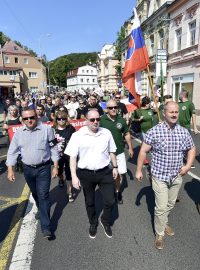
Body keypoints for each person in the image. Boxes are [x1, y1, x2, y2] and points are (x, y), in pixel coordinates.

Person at [135, 101, 196, 250]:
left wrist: (188, 165)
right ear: (164, 113)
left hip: (176, 175)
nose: (175, 114)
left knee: (170, 203)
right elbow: (143, 151)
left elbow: (192, 149)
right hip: (159, 176)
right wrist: (138, 170)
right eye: (171, 112)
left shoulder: (183, 132)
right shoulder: (154, 132)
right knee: (161, 207)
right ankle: (160, 234)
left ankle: (164, 222)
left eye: (176, 112)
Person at [6, 108, 59, 239]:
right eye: (26, 118)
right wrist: (10, 169)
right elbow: (12, 151)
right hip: (28, 169)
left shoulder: (47, 129)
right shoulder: (19, 133)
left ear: (36, 117)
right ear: (22, 120)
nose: (29, 120)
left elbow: (53, 148)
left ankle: (46, 227)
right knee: (35, 193)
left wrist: (55, 166)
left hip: (43, 168)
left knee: (43, 195)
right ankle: (41, 208)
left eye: (32, 117)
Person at [65, 109, 118, 239]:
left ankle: (105, 221)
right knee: (89, 201)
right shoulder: (78, 135)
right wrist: (74, 176)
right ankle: (93, 222)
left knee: (110, 201)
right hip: (86, 174)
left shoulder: (106, 133)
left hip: (105, 172)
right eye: (92, 120)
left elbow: (112, 151)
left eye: (98, 119)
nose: (96, 122)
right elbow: (72, 157)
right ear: (86, 121)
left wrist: (115, 166)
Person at [100, 99, 134, 204]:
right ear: (107, 109)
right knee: (107, 175)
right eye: (111, 108)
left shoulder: (121, 120)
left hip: (119, 152)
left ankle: (117, 191)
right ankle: (110, 191)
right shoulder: (101, 120)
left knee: (121, 174)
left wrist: (130, 147)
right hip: (105, 154)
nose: (114, 109)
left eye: (115, 107)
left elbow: (127, 134)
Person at [53, 111, 76, 202]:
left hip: (69, 155)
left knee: (69, 173)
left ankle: (69, 192)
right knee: (59, 172)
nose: (61, 120)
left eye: (63, 118)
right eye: (59, 119)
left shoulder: (70, 128)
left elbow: (76, 141)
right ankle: (61, 178)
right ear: (56, 120)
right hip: (57, 156)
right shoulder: (53, 129)